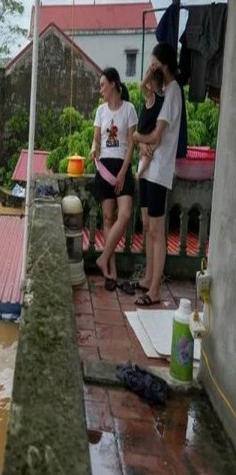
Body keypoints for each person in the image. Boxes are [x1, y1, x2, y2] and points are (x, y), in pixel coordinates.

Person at [132, 42, 182, 306]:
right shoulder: (167, 91)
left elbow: (155, 135)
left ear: (163, 64)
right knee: (149, 228)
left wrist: (138, 137)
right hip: (151, 169)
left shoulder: (173, 93)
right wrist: (143, 141)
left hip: (160, 170)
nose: (151, 71)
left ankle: (155, 289)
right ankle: (149, 278)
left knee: (157, 230)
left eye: (153, 65)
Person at [90, 67, 138, 291]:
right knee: (108, 219)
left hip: (122, 167)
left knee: (125, 214)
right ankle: (111, 271)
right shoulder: (100, 111)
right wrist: (93, 150)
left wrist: (122, 173)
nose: (100, 89)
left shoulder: (129, 109)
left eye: (102, 85)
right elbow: (96, 139)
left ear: (114, 84)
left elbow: (130, 145)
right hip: (105, 166)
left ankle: (103, 258)